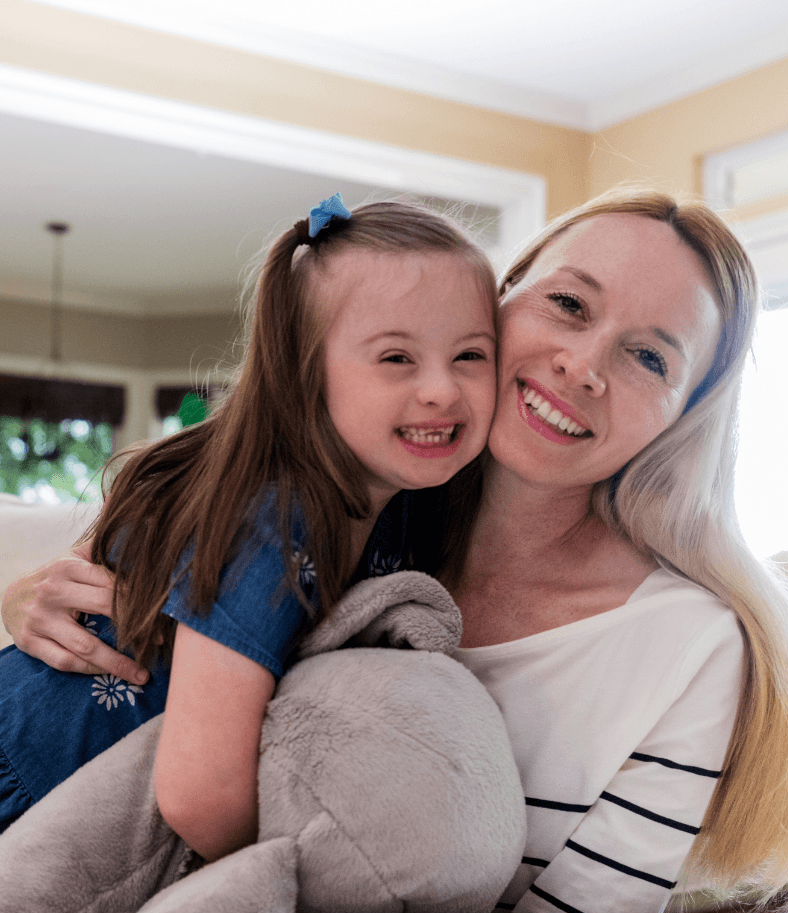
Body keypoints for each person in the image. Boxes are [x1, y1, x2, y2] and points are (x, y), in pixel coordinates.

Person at [6, 189, 788, 913]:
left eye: (650, 356)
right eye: (568, 304)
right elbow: (140, 599)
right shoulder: (365, 509)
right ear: (500, 300)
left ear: (685, 414)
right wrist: (30, 599)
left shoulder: (687, 646)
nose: (582, 365)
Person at [0, 196, 497, 862]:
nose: (441, 389)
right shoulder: (272, 519)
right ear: (305, 373)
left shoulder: (404, 505)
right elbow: (200, 795)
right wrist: (304, 891)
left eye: (470, 355)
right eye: (395, 359)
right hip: (29, 803)